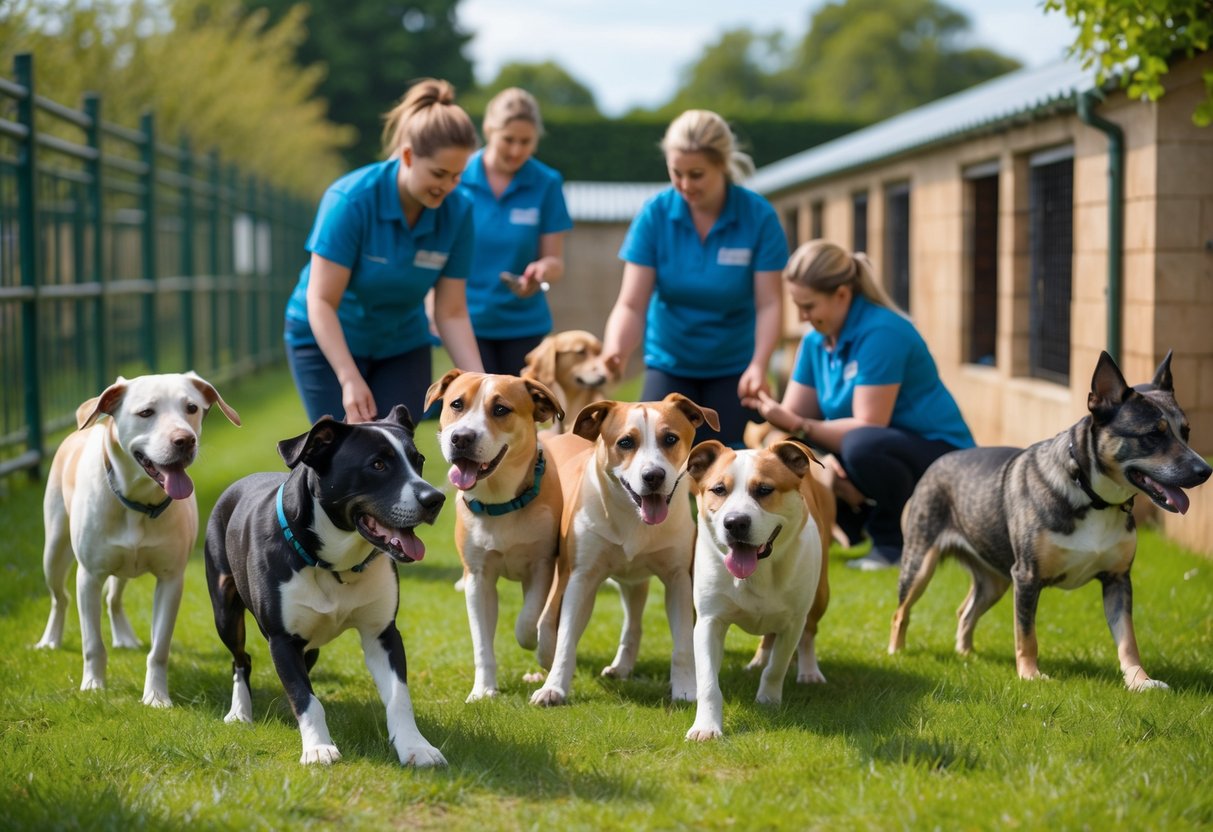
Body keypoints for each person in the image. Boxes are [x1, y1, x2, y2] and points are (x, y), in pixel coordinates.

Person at [744, 240, 975, 571]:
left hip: (945, 457)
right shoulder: (814, 341)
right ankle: (852, 525)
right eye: (797, 305)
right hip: (875, 450)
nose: (802, 317)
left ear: (841, 295)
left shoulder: (883, 332)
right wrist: (821, 462)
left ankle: (893, 543)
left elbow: (868, 425)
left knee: (861, 444)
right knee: (796, 449)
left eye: (808, 306)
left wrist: (800, 428)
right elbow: (789, 426)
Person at [284, 78, 484, 425]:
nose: (448, 186)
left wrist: (482, 385)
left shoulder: (459, 211)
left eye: (457, 176)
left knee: (397, 450)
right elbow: (322, 301)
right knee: (341, 456)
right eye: (439, 173)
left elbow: (451, 312)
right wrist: (349, 378)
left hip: (401, 342)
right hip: (327, 338)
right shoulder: (350, 200)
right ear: (407, 155)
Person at [600, 109, 787, 447]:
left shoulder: (758, 217)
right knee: (654, 456)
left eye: (697, 174)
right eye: (677, 173)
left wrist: (760, 365)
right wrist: (616, 350)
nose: (685, 185)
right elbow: (631, 303)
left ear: (722, 165)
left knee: (726, 468)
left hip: (734, 366)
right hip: (669, 362)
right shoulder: (655, 215)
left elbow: (770, 303)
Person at [457, 87, 573, 375]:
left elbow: (555, 262)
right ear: (488, 130)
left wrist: (541, 271)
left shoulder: (546, 183)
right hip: (466, 321)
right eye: (508, 139)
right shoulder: (457, 177)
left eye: (526, 141)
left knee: (519, 415)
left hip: (524, 324)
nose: (516, 150)